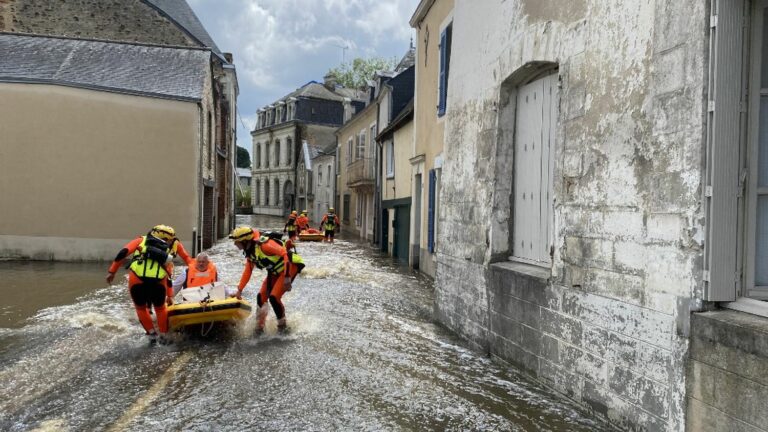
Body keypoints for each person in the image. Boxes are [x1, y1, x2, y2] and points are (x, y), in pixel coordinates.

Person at [106, 225, 193, 344]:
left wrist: (112, 271)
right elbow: (180, 265)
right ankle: (163, 335)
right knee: (161, 308)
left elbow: (123, 252)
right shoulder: (172, 247)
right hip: (158, 281)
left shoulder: (141, 240)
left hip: (137, 279)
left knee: (140, 308)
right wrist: (170, 294)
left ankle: (151, 334)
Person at [228, 226, 303, 334]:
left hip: (289, 267)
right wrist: (239, 290)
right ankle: (259, 327)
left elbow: (285, 254)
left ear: (245, 241)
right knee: (261, 297)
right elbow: (247, 272)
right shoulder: (250, 252)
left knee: (274, 297)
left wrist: (287, 278)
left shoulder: (265, 245)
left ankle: (283, 326)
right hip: (275, 271)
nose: (235, 244)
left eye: (237, 242)